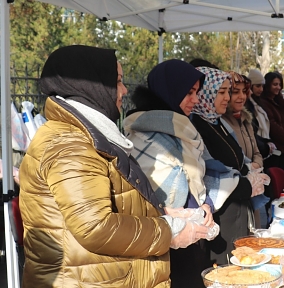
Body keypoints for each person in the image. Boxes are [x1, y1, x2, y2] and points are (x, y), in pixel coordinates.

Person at [18, 45, 206, 287]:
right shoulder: (70, 144)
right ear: (93, 86)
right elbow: (96, 226)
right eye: (117, 81)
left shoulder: (84, 135)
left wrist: (164, 214)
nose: (124, 90)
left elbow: (112, 201)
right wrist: (168, 231)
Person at [123, 59, 241, 287]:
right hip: (164, 243)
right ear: (170, 92)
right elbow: (143, 195)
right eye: (189, 93)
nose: (195, 100)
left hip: (193, 237)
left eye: (197, 92)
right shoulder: (142, 132)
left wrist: (205, 202)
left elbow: (197, 175)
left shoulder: (183, 128)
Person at [191, 66, 266, 264]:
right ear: (206, 92)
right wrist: (245, 182)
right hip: (221, 218)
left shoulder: (217, 122)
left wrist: (250, 171)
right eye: (222, 92)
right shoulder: (196, 127)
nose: (227, 98)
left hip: (238, 210)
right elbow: (208, 173)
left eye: (227, 92)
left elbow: (238, 158)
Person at [222, 72, 270, 229]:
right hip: (236, 193)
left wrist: (254, 165)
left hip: (253, 189)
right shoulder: (221, 123)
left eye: (244, 91)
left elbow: (257, 152)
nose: (241, 97)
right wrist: (251, 167)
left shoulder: (246, 120)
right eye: (235, 92)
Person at [259, 72, 284, 175]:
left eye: (279, 85)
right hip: (274, 150)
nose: (278, 87)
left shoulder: (281, 102)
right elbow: (272, 124)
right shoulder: (263, 102)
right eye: (275, 84)